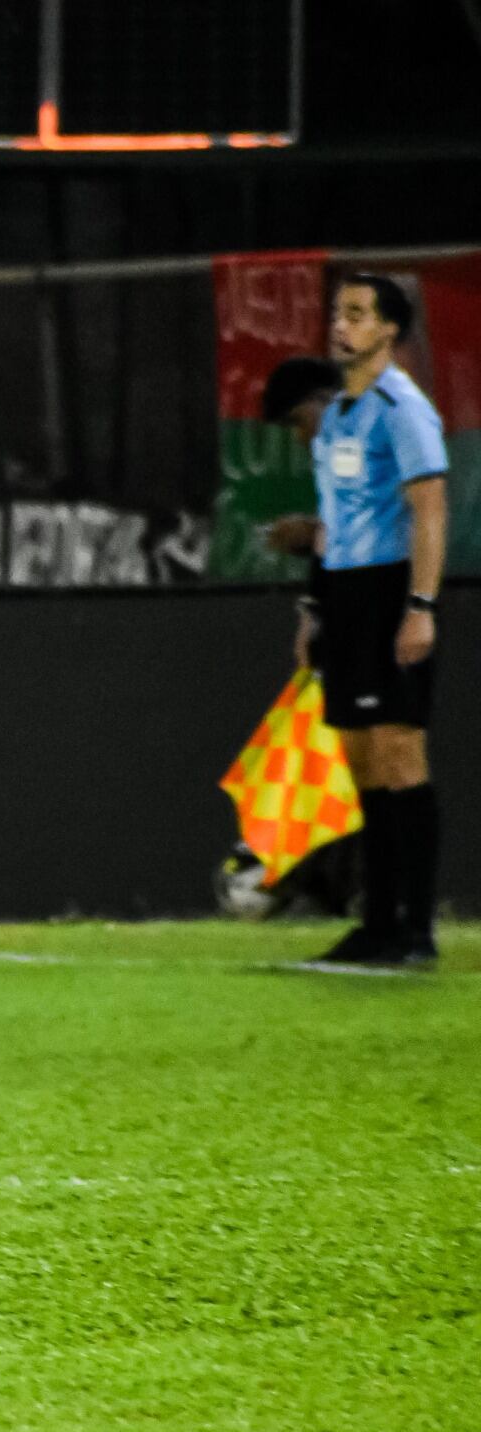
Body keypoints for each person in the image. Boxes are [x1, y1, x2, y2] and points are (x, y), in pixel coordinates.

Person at [265, 274, 449, 966]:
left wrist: (421, 608)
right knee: (362, 759)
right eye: (337, 313)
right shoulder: (339, 415)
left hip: (389, 591)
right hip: (345, 596)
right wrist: (314, 610)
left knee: (401, 754)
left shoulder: (404, 409)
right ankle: (377, 924)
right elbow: (335, 526)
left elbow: (430, 511)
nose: (340, 326)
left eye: (357, 315)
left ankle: (416, 929)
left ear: (390, 331)